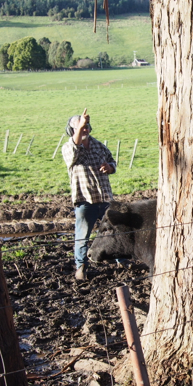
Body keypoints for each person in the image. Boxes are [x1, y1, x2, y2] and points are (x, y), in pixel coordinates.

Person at [62, 108, 117, 281]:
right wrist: (81, 125)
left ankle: (121, 259)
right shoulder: (69, 148)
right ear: (72, 131)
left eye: (86, 126)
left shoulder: (99, 146)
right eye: (80, 127)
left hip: (105, 199)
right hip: (85, 200)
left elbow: (112, 161)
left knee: (116, 230)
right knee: (82, 237)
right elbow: (75, 145)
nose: (85, 129)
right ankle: (81, 267)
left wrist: (110, 167)